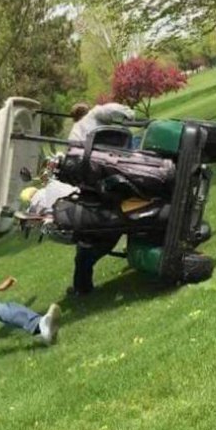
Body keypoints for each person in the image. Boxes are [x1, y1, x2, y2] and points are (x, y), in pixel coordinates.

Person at [67, 101, 134, 297]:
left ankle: (82, 287)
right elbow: (122, 112)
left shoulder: (74, 134)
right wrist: (130, 114)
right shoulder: (97, 114)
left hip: (99, 186)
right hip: (126, 170)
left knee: (89, 242)